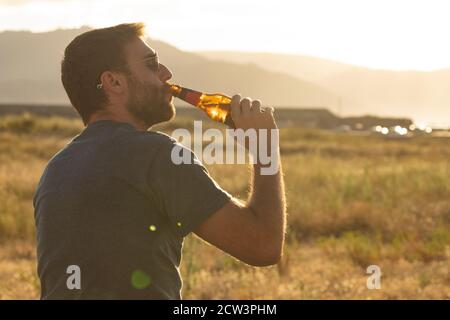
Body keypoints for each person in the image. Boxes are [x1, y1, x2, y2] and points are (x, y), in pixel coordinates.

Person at [33, 22, 286, 299]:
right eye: (152, 65)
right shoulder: (154, 154)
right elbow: (262, 246)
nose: (167, 74)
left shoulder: (56, 168)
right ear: (114, 82)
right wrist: (265, 148)